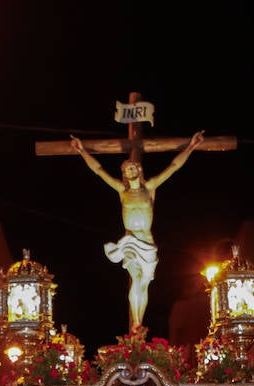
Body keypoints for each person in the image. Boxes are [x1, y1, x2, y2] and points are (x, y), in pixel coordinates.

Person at [68, 131, 204, 329]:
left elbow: (173, 167)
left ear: (139, 170)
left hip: (147, 241)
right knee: (136, 279)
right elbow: (98, 170)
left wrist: (191, 146)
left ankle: (139, 320)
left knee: (144, 283)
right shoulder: (122, 191)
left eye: (133, 167)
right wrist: (81, 151)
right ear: (124, 173)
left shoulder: (149, 188)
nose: (131, 170)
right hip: (130, 240)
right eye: (127, 169)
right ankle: (137, 323)